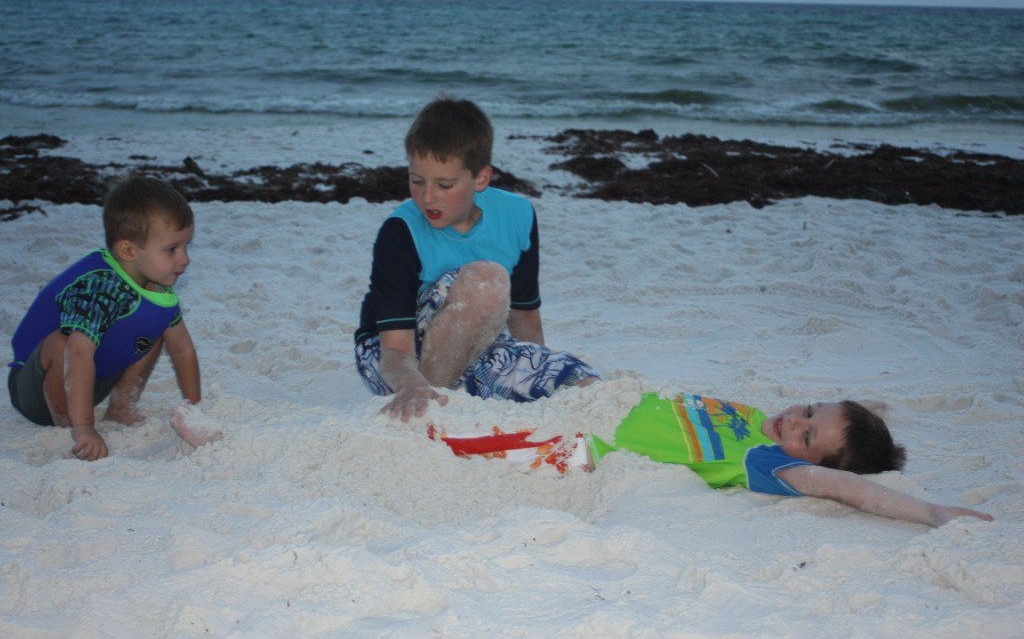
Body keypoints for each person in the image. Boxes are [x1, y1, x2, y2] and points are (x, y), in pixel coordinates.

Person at [354, 96, 599, 421]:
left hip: (475, 342)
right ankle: (434, 400)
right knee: (487, 281)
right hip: (393, 360)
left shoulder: (517, 216)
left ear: (481, 179)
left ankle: (462, 392)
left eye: (444, 184)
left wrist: (536, 366)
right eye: (416, 181)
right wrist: (411, 384)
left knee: (580, 383)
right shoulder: (400, 232)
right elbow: (395, 350)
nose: (427, 197)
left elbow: (524, 315)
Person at [429, 391, 995, 528]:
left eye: (806, 433)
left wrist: (931, 512)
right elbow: (844, 420)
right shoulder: (766, 419)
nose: (794, 422)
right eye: (808, 409)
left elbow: (842, 486)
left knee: (446, 441)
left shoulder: (768, 461)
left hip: (581, 447)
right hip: (594, 395)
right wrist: (871, 415)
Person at [7, 175, 201, 461]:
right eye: (172, 249)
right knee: (64, 342)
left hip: (91, 382)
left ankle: (121, 407)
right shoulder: (99, 285)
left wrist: (195, 410)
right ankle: (72, 424)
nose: (184, 259)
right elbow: (79, 352)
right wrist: (85, 427)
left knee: (156, 324)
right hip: (36, 390)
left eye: (186, 246)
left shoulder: (155, 287)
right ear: (128, 251)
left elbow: (182, 349)